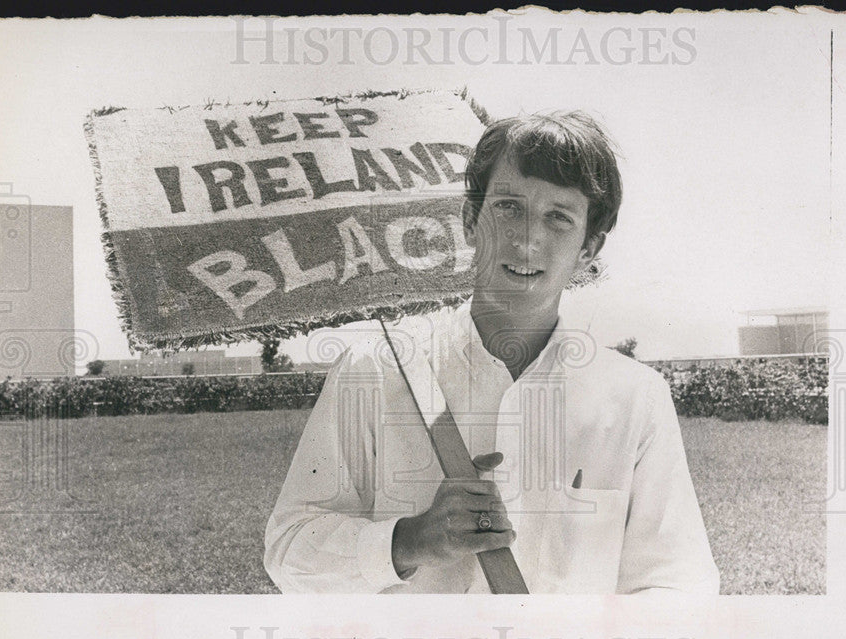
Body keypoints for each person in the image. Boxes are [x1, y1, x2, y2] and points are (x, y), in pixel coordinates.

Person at [264, 111, 720, 594]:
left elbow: (674, 584)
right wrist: (410, 541)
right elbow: (288, 550)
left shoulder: (634, 397)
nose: (527, 239)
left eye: (559, 218)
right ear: (468, 222)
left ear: (589, 248)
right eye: (507, 206)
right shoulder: (376, 367)